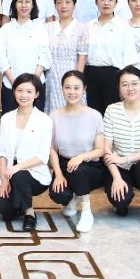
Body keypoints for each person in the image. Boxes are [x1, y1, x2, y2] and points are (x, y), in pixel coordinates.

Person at [101, 66, 140, 229]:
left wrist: (126, 158)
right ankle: (121, 202)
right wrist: (116, 178)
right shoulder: (111, 110)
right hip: (119, 167)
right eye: (124, 84)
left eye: (134, 84)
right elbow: (106, 150)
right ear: (119, 88)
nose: (130, 88)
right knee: (120, 202)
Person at [47, 70, 107, 232]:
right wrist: (58, 174)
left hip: (90, 165)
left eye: (76, 88)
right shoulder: (54, 116)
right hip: (64, 164)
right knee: (58, 193)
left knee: (78, 171)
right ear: (62, 89)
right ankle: (70, 198)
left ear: (84, 89)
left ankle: (87, 212)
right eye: (68, 87)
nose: (72, 92)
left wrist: (81, 157)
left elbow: (100, 150)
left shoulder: (94, 115)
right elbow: (52, 149)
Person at [0, 74, 54, 231]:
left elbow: (42, 156)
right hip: (10, 171)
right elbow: (1, 153)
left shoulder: (44, 120)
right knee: (2, 207)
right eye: (19, 90)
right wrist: (4, 179)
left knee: (19, 175)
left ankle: (29, 213)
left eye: (29, 91)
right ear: (14, 92)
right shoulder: (7, 118)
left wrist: (17, 167)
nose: (23, 95)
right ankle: (19, 203)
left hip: (34, 172)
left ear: (37, 94)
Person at [84, 0, 140, 115]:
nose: (106, 3)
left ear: (116, 2)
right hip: (90, 74)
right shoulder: (88, 26)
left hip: (113, 76)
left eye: (110, 0)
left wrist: (124, 83)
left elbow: (129, 57)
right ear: (96, 2)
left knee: (113, 113)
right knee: (93, 113)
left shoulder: (123, 26)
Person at [0, 0, 51, 112]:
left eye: (27, 1)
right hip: (10, 85)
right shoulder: (5, 29)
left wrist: (33, 82)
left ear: (33, 5)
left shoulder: (40, 28)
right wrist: (15, 83)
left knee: (35, 121)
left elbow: (45, 55)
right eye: (20, 1)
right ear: (14, 5)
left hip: (36, 86)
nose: (24, 5)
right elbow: (0, 57)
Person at [44, 0, 89, 112]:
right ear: (55, 5)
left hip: (72, 72)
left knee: (74, 109)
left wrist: (77, 79)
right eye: (59, 2)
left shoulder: (81, 28)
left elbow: (82, 57)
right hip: (51, 75)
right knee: (53, 111)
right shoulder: (47, 27)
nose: (63, 6)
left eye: (68, 2)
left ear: (74, 5)